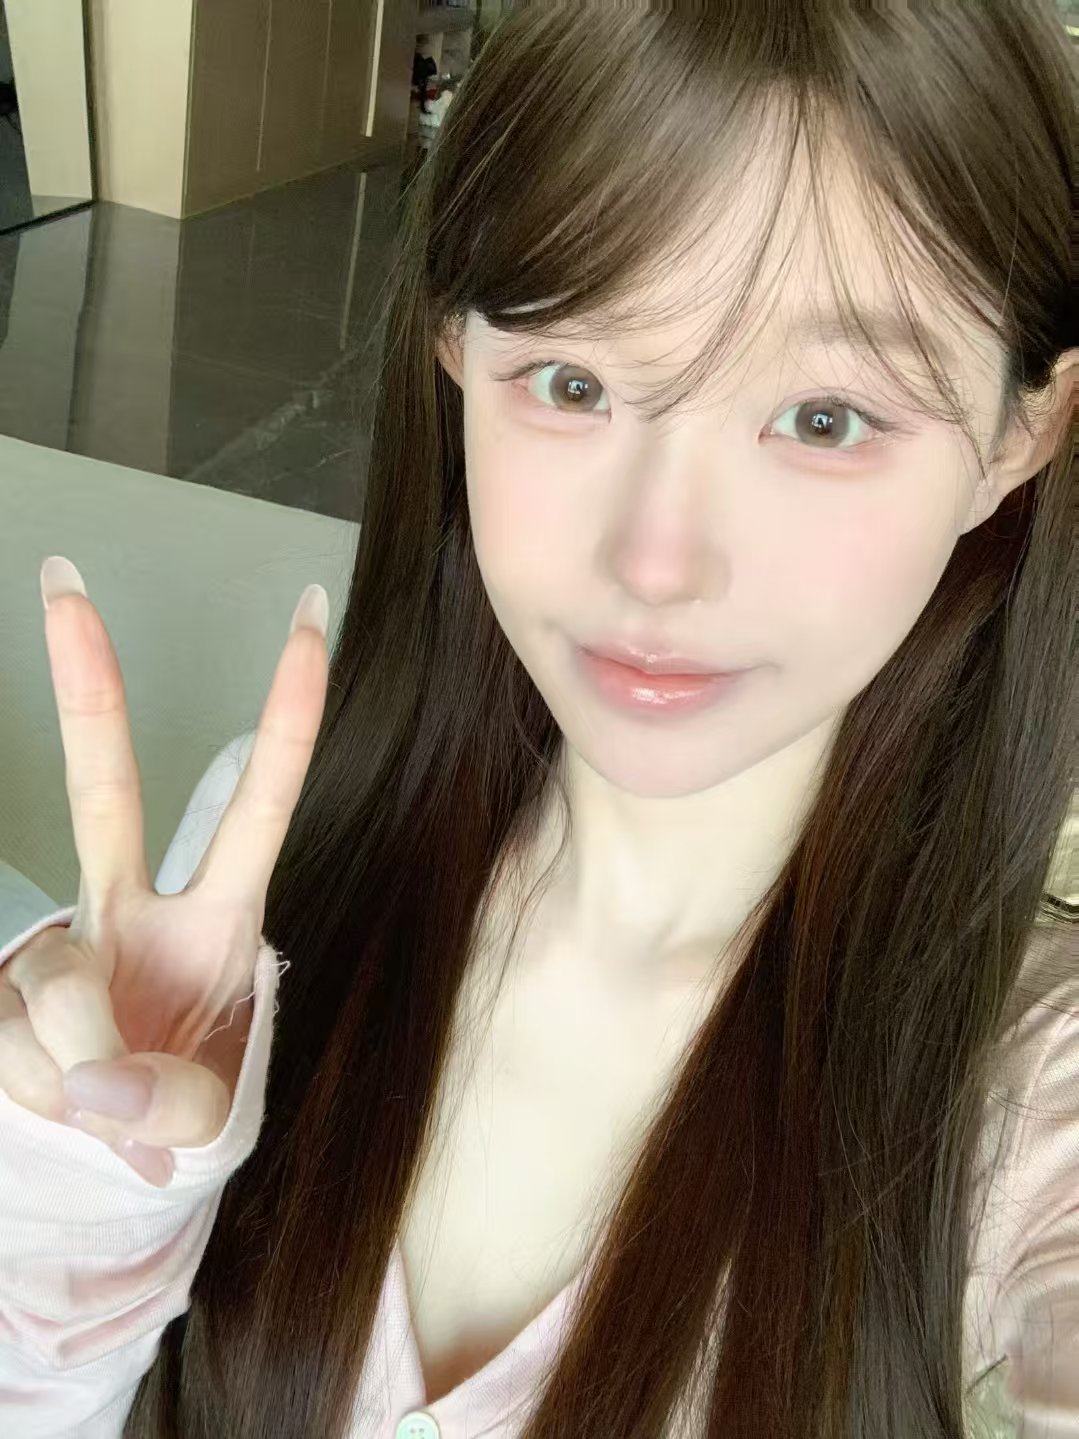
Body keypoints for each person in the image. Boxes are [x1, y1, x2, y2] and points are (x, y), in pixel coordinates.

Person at [0, 3, 1075, 1436]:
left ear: (1020, 433)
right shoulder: (263, 865)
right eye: (573, 383)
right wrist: (76, 1222)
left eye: (826, 419)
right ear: (455, 352)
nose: (657, 563)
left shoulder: (1028, 1086)